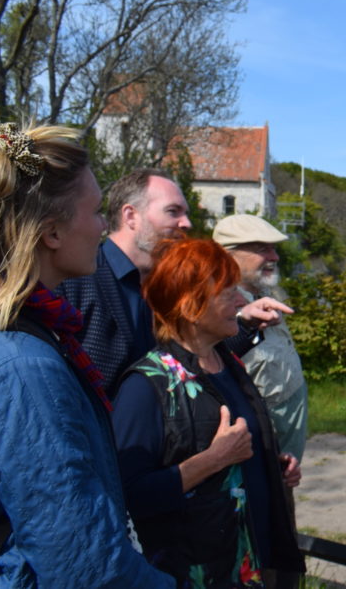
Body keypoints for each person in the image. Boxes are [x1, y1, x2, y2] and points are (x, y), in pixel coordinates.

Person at [0, 122, 173, 587]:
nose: (104, 227)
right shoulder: (23, 370)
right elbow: (86, 567)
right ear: (52, 233)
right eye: (94, 213)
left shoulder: (29, 340)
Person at [111, 237, 305, 587]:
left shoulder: (227, 363)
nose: (241, 300)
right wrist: (213, 460)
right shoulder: (146, 386)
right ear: (189, 307)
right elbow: (128, 496)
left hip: (249, 565)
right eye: (227, 292)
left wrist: (268, 463)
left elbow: (235, 450)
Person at [59, 168, 291, 395]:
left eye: (186, 213)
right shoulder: (76, 280)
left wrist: (245, 324)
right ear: (130, 216)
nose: (186, 223)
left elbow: (187, 360)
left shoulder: (170, 284)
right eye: (173, 211)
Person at [213, 214, 308, 462]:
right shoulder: (216, 310)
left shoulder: (260, 293)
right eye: (262, 249)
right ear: (227, 255)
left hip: (285, 455)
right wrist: (242, 319)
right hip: (259, 454)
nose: (274, 257)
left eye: (274, 249)